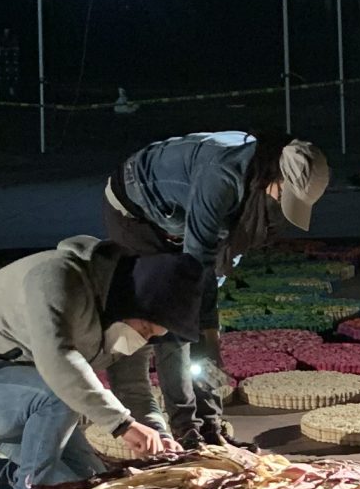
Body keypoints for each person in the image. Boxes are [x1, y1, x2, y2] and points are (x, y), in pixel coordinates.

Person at [0, 236, 205, 489]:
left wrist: (159, 436)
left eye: (153, 336)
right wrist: (122, 424)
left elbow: (133, 389)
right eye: (145, 329)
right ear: (131, 301)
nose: (143, 339)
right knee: (59, 398)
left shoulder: (127, 322)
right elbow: (58, 361)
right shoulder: (57, 278)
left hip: (28, 401)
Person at [104, 130, 331, 445]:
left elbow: (221, 258)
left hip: (181, 223)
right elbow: (194, 269)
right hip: (137, 213)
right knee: (173, 323)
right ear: (275, 178)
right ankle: (185, 429)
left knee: (204, 329)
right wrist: (201, 325)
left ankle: (210, 424)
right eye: (284, 196)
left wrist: (210, 331)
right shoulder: (221, 175)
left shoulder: (254, 187)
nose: (281, 206)